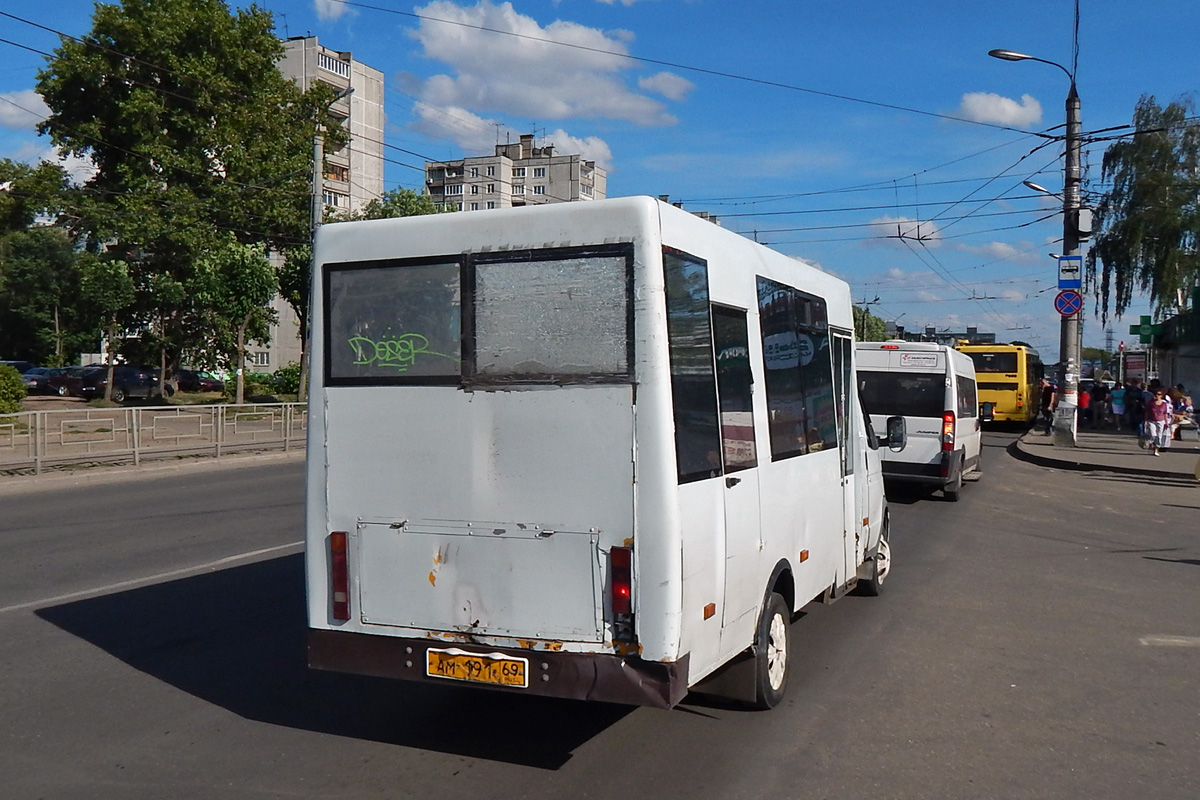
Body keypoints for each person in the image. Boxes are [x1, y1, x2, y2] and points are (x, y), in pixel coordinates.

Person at [1143, 387, 1172, 456]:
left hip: (1161, 421)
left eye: (1159, 394)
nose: (1157, 396)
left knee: (1159, 436)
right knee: (1153, 435)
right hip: (1151, 420)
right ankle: (1150, 443)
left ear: (1161, 396)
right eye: (1156, 394)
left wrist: (1166, 422)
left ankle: (1156, 449)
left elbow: (1165, 413)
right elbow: (1147, 412)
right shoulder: (1150, 403)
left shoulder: (1164, 404)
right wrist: (1146, 420)